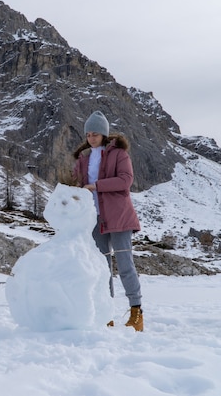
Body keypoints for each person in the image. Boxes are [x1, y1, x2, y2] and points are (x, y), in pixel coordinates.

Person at [72, 110, 144, 332]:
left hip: (119, 217)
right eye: (88, 134)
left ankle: (136, 313)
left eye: (95, 134)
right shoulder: (83, 159)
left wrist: (97, 186)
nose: (91, 138)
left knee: (125, 267)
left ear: (104, 134)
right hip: (95, 220)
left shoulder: (119, 154)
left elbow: (125, 181)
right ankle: (106, 315)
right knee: (102, 270)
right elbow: (75, 182)